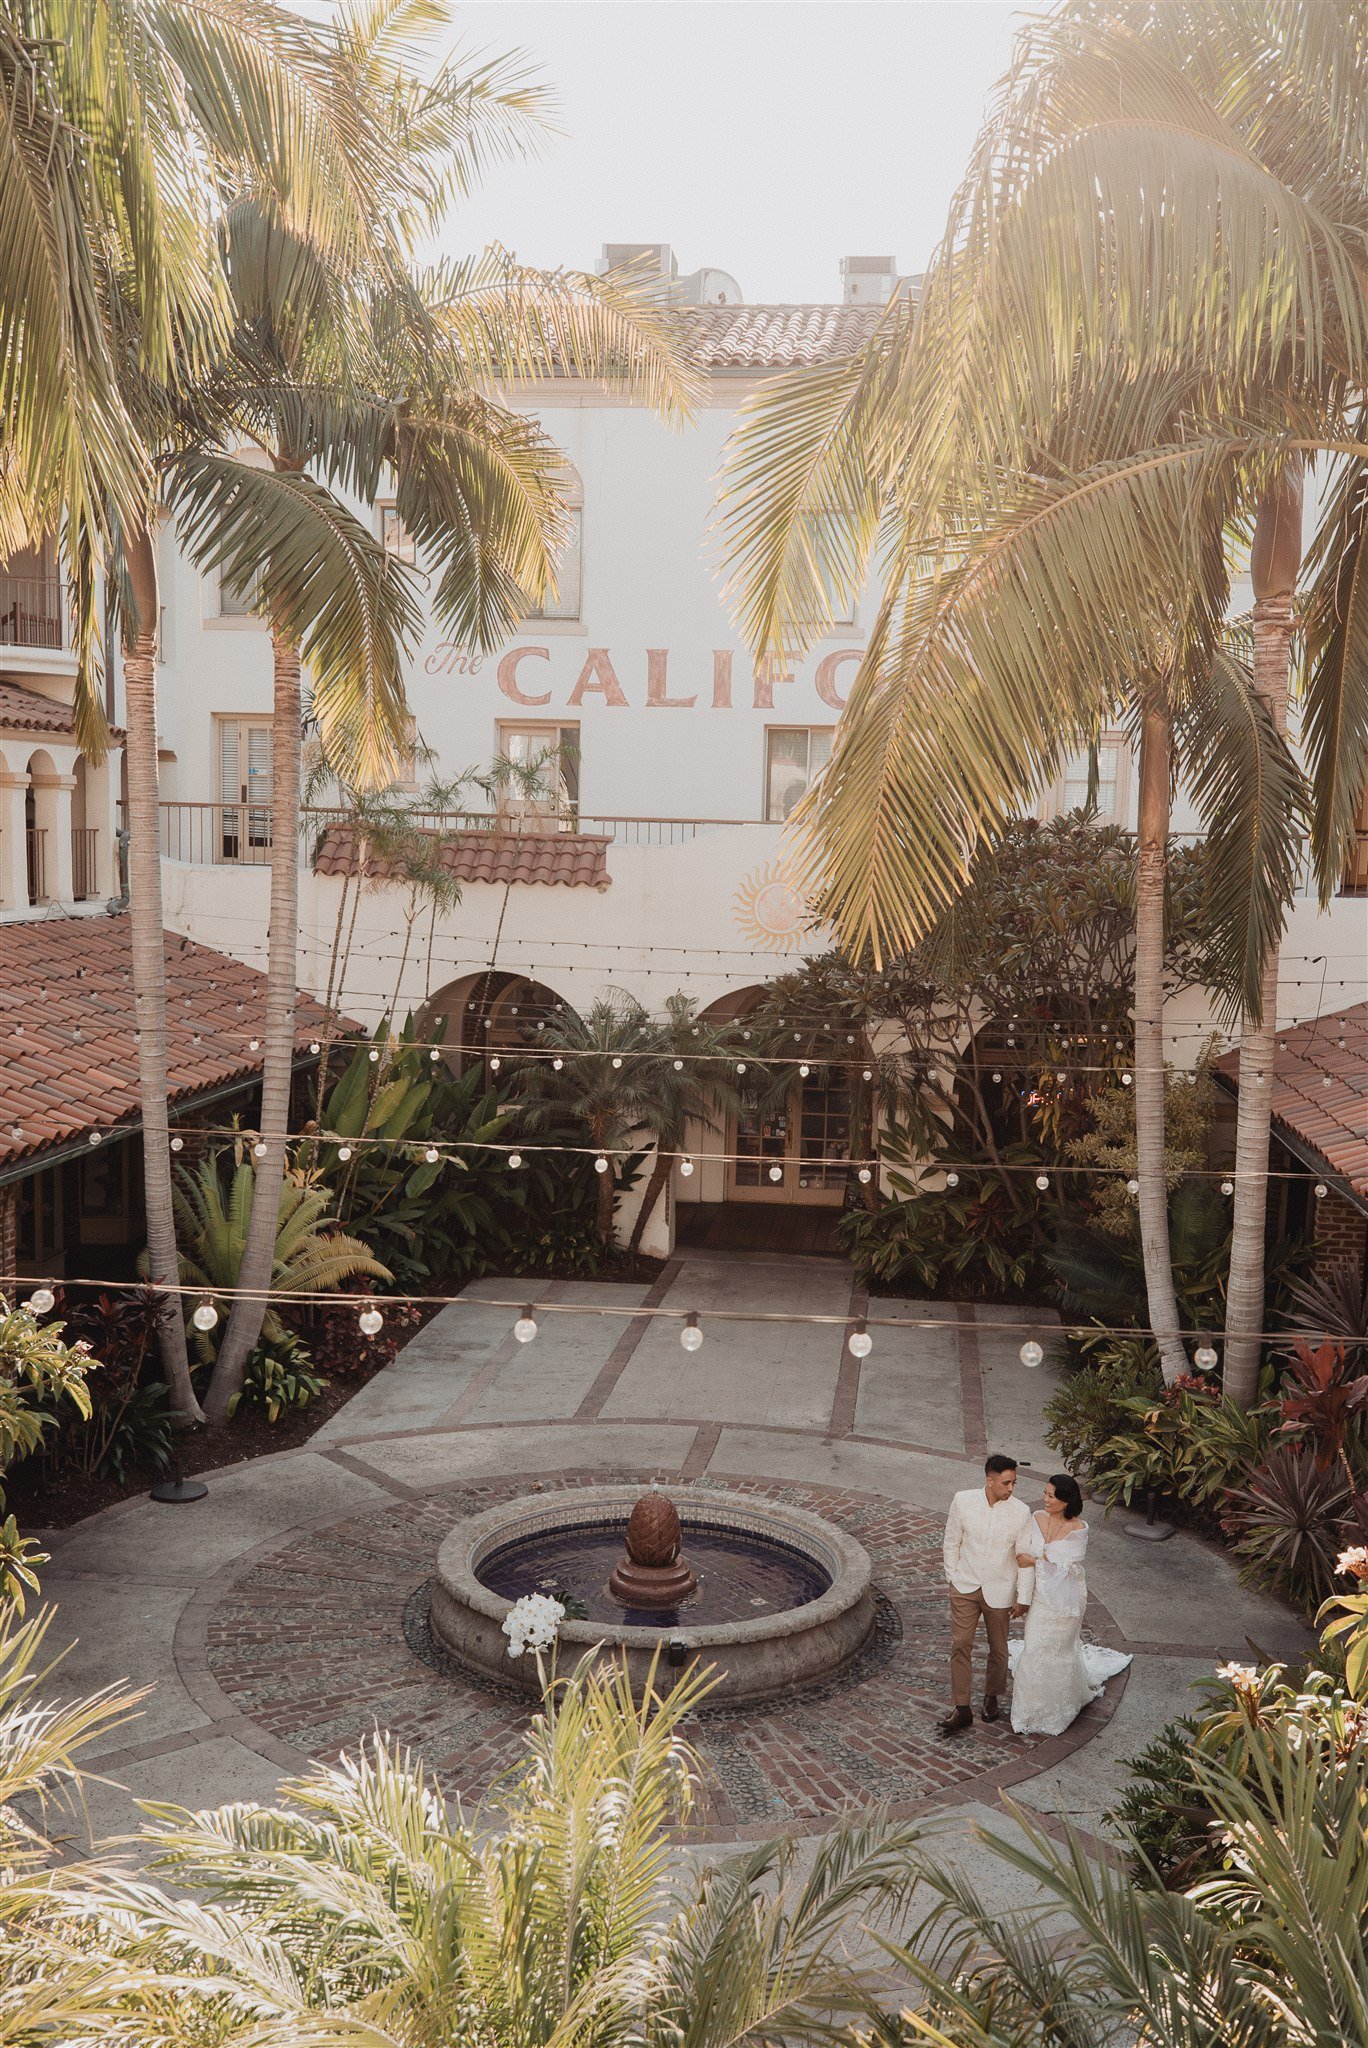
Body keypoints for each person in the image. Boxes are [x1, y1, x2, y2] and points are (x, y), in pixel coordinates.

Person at [1008, 1472, 1132, 1736]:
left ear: (1065, 1501)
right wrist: (1036, 1568)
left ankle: (1057, 1710)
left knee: (1058, 1653)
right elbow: (1043, 1556)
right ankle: (1027, 1710)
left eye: (1050, 1496)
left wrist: (1035, 1560)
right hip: (1040, 1597)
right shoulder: (1037, 1518)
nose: (1045, 1499)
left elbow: (1065, 1562)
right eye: (1045, 1493)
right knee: (1035, 1648)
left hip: (1065, 1602)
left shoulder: (1079, 1529)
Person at [940, 1453, 1034, 1737]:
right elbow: (951, 1541)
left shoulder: (1021, 1511)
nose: (1011, 1489)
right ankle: (961, 1708)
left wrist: (1024, 1596)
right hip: (965, 1586)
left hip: (1001, 1589)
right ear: (989, 1481)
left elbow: (1023, 1557)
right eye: (1006, 1483)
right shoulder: (963, 1501)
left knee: (999, 1647)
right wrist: (953, 1578)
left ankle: (992, 1695)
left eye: (1014, 1483)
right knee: (961, 1645)